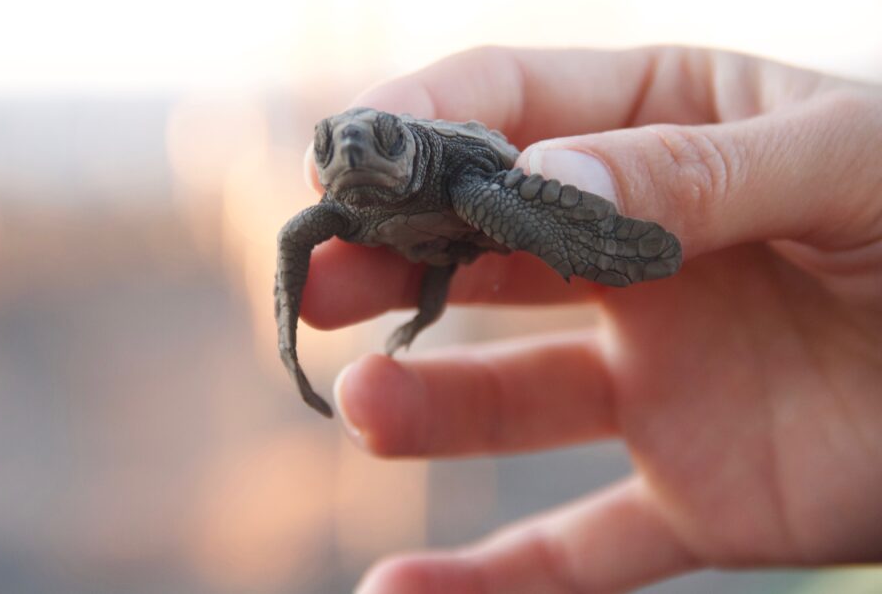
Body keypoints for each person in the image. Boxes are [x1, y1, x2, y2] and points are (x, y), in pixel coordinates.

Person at [300, 46, 882, 593]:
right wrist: (290, 343)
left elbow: (502, 197)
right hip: (432, 251)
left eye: (377, 139)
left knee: (491, 220)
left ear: (405, 144)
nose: (351, 149)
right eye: (329, 143)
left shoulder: (458, 176)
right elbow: (296, 241)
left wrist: (601, 219)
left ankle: (581, 242)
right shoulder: (339, 209)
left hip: (472, 187)